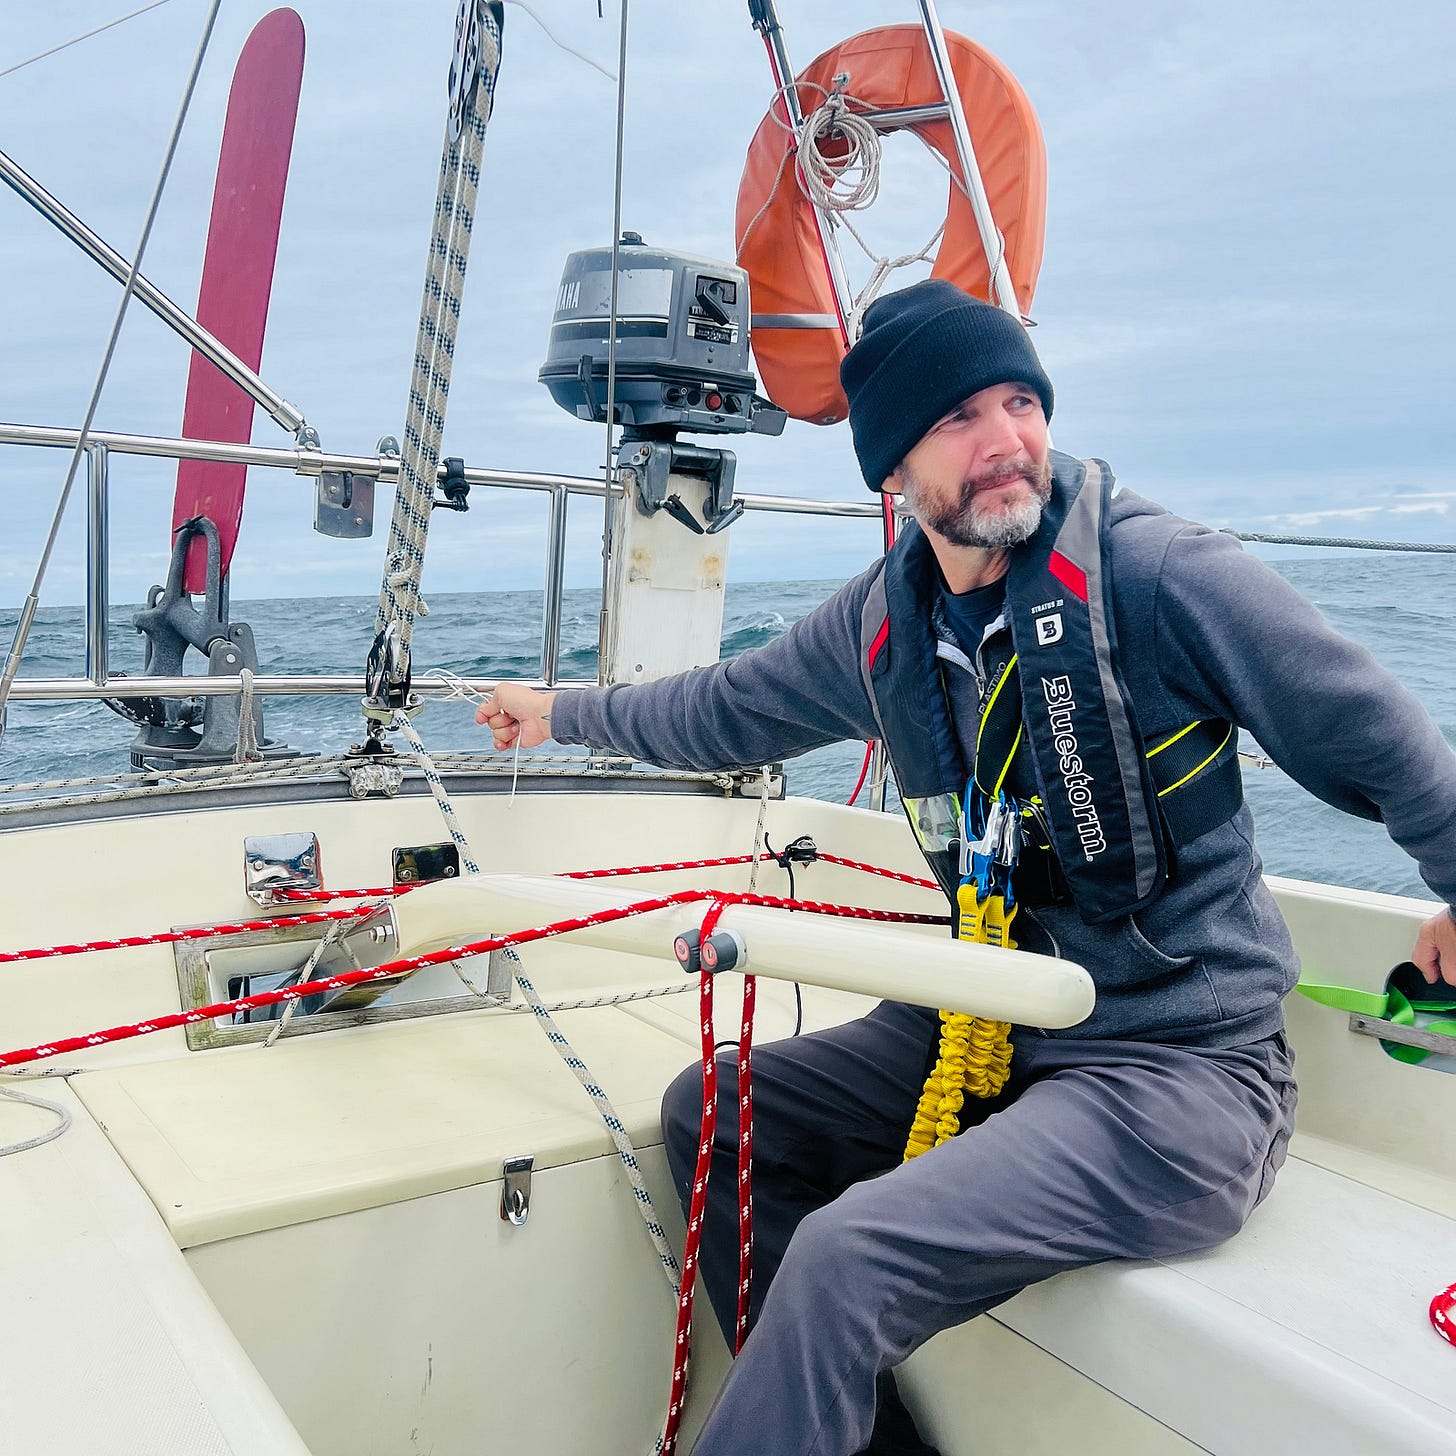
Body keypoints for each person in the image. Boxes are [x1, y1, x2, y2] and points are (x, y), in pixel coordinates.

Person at [477, 279, 1456, 1456]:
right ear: (892, 468)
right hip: (991, 1028)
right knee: (713, 1113)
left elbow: (1376, 734)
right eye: (955, 419)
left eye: (1017, 402)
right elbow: (725, 710)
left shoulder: (1161, 579)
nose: (1004, 442)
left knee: (849, 1253)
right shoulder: (880, 623)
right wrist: (561, 710)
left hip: (1180, 1076)